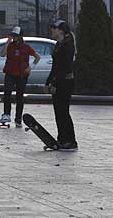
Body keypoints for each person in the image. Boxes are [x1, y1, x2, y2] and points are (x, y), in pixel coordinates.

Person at [0, 26, 40, 126]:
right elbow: (2, 54)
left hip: (22, 75)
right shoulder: (10, 45)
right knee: (7, 92)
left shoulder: (26, 47)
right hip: (10, 73)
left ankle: (18, 119)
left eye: (16, 36)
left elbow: (37, 57)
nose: (14, 38)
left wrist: (30, 68)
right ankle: (6, 114)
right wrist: (8, 41)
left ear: (21, 36)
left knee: (19, 97)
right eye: (13, 36)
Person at [46, 19, 77, 150]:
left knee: (63, 111)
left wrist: (55, 82)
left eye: (54, 28)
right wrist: (48, 81)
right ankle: (62, 138)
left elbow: (64, 67)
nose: (52, 31)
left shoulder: (68, 45)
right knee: (58, 111)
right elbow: (54, 66)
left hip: (65, 82)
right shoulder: (58, 45)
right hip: (58, 81)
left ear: (61, 30)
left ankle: (70, 140)